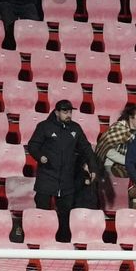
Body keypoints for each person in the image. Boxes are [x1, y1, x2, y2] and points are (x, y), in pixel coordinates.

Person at [25, 100, 99, 242]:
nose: (68, 114)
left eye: (70, 111)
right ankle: (40, 241)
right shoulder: (44, 126)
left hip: (66, 179)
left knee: (65, 215)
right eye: (65, 112)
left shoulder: (76, 128)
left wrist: (93, 167)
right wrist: (40, 157)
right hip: (47, 177)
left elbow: (87, 149)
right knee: (42, 212)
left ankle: (62, 244)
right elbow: (33, 145)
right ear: (57, 112)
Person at [96, 104, 136, 184]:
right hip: (111, 165)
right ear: (131, 118)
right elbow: (107, 150)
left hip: (130, 164)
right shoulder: (118, 127)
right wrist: (128, 161)